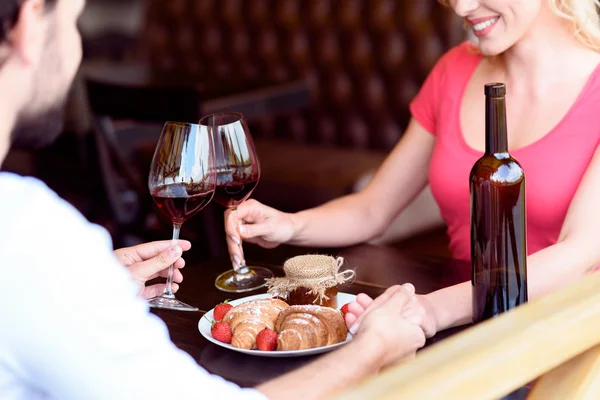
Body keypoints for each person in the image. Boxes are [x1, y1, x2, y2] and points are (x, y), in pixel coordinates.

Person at [0, 1, 426, 399]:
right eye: (73, 23)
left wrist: (89, 285)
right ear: (29, 25)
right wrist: (375, 349)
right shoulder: (29, 237)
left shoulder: (34, 249)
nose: (76, 49)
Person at [225, 0, 600, 338]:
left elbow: (578, 255)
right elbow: (373, 208)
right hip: (468, 328)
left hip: (562, 333)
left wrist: (433, 309)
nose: (461, 7)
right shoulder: (454, 70)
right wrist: (289, 224)